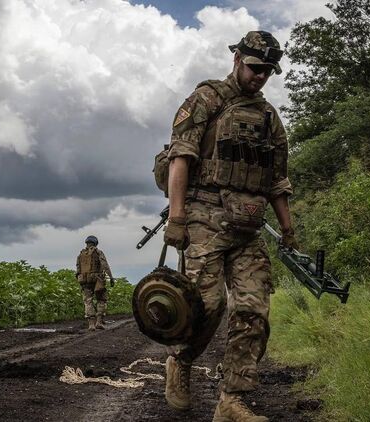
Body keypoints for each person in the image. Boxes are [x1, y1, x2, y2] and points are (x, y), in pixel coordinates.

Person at [161, 31, 299, 421]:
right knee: (207, 306)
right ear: (237, 58)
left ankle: (232, 401)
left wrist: (288, 230)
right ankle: (181, 362)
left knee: (254, 310)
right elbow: (180, 158)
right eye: (255, 68)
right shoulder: (205, 100)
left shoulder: (270, 118)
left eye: (267, 71)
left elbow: (277, 181)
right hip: (203, 217)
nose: (260, 77)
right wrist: (176, 217)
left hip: (248, 226)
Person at [75, 235, 115, 331]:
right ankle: (99, 322)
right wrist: (111, 277)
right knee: (101, 300)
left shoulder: (81, 255)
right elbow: (105, 265)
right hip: (97, 280)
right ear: (95, 243)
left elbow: (77, 269)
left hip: (85, 281)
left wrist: (80, 279)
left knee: (88, 301)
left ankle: (91, 324)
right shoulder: (98, 252)